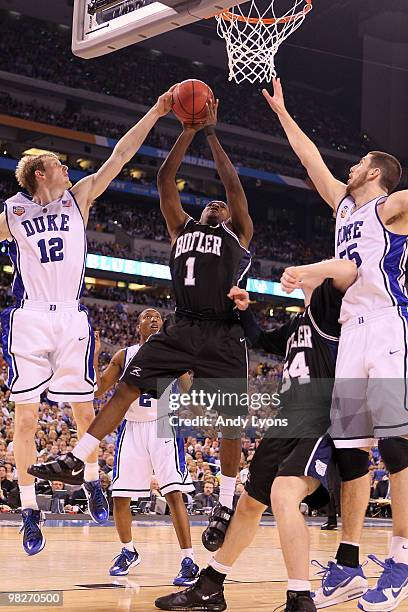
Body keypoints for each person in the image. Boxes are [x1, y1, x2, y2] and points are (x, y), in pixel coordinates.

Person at [29, 97, 254, 553]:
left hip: (222, 332)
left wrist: (211, 133)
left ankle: (226, 504)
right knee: (128, 385)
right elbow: (165, 179)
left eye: (221, 206)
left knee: (230, 418)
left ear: (229, 217)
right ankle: (78, 458)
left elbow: (232, 187)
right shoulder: (179, 227)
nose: (216, 204)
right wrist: (187, 129)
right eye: (209, 203)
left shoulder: (238, 233)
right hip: (182, 326)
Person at [0, 85, 174, 555]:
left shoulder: (80, 197)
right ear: (40, 172)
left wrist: (156, 111)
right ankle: (31, 511)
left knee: (83, 411)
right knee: (26, 419)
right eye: (59, 164)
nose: (68, 168)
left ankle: (92, 480)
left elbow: (121, 154)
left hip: (73, 317)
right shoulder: (11, 212)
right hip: (30, 316)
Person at [263, 77, 408, 611]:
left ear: (374, 172)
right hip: (351, 333)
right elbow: (309, 161)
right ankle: (348, 562)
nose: (345, 170)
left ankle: (401, 555)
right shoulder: (345, 209)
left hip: (389, 324)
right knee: (351, 455)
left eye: (356, 165)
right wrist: (281, 111)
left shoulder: (391, 208)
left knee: (395, 446)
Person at [154, 258, 357, 612]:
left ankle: (300, 596)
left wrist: (306, 272)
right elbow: (261, 339)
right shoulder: (297, 323)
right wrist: (245, 310)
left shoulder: (329, 308)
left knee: (282, 495)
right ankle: (210, 586)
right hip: (285, 420)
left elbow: (348, 272)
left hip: (318, 417)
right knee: (249, 504)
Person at [93, 309, 199, 586]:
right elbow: (99, 389)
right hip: (131, 425)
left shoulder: (172, 351)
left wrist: (188, 362)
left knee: (173, 491)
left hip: (163, 422)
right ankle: (128, 551)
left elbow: (188, 389)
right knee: (120, 496)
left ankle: (189, 559)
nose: (153, 319)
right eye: (147, 316)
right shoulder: (124, 355)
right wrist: (92, 356)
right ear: (137, 324)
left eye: (158, 317)